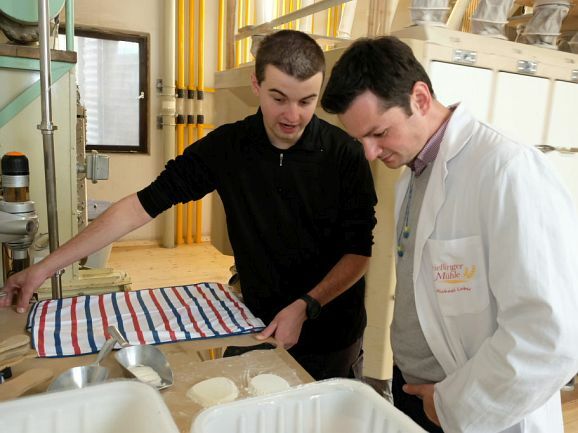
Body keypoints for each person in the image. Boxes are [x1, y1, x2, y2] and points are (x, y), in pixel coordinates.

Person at [0, 30, 377, 381]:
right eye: (279, 98)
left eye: (306, 101)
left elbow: (359, 252)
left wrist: (306, 305)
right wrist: (44, 269)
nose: (292, 116)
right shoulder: (228, 148)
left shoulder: (344, 155)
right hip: (254, 324)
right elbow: (139, 207)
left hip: (331, 333)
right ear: (256, 85)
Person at [321, 36, 578, 433]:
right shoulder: (415, 172)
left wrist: (456, 404)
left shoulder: (507, 170)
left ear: (420, 99)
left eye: (379, 133)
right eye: (361, 140)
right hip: (417, 391)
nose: (370, 153)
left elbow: (550, 332)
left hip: (472, 406)